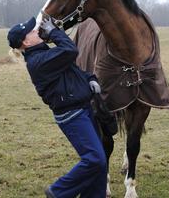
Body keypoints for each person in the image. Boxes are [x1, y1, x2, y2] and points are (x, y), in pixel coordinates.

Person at [7, 17, 107, 198]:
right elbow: (70, 50)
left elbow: (73, 71)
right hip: (73, 116)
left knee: (99, 165)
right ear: (26, 42)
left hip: (83, 109)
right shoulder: (38, 62)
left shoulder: (44, 53)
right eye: (32, 30)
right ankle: (58, 191)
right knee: (95, 159)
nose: (36, 30)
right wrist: (54, 32)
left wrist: (89, 78)